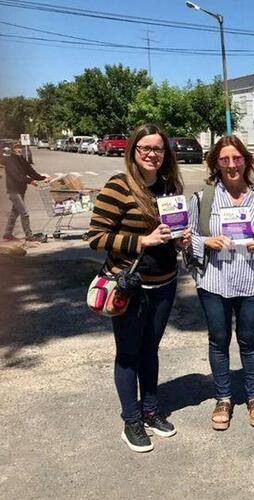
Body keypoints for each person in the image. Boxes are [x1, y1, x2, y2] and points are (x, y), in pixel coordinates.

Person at [88, 124, 191, 453]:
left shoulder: (168, 186)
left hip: (165, 282)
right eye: (145, 148)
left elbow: (172, 233)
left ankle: (150, 410)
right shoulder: (119, 187)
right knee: (129, 353)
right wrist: (141, 241)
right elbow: (96, 237)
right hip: (131, 285)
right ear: (133, 151)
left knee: (151, 349)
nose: (152, 154)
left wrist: (181, 240)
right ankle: (131, 419)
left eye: (158, 149)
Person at [188, 135, 254, 431]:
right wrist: (206, 241)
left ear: (246, 161)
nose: (231, 164)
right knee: (218, 340)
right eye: (224, 159)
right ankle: (223, 397)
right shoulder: (203, 199)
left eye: (237, 158)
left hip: (251, 283)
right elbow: (185, 242)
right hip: (214, 282)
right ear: (216, 164)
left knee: (249, 341)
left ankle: (253, 397)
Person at [3, 143, 47, 242]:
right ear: (12, 149)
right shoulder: (10, 160)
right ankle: (29, 235)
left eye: (20, 148)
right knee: (24, 213)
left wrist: (42, 178)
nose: (19, 150)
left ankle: (7, 234)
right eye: (16, 148)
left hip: (21, 190)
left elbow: (31, 171)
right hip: (13, 191)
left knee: (15, 213)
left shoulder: (22, 160)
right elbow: (16, 176)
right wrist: (30, 181)